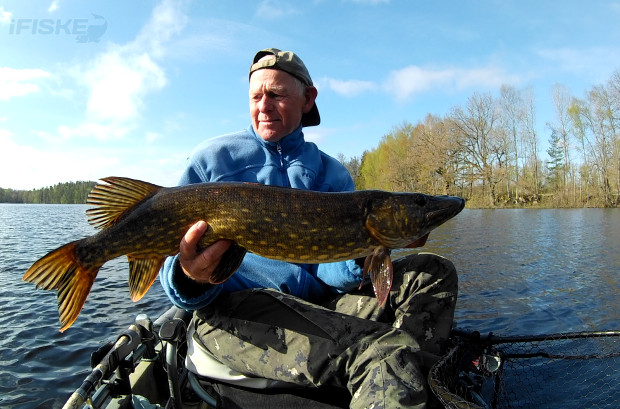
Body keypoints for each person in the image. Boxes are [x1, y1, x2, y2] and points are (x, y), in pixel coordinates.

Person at [159, 48, 458, 409]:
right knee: (382, 353)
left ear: (307, 99)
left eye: (276, 94)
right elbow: (169, 262)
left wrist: (362, 254)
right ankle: (390, 368)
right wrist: (191, 276)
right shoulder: (212, 160)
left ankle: (412, 378)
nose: (264, 106)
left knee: (433, 272)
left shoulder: (331, 174)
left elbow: (325, 271)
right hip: (233, 312)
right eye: (256, 96)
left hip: (317, 305)